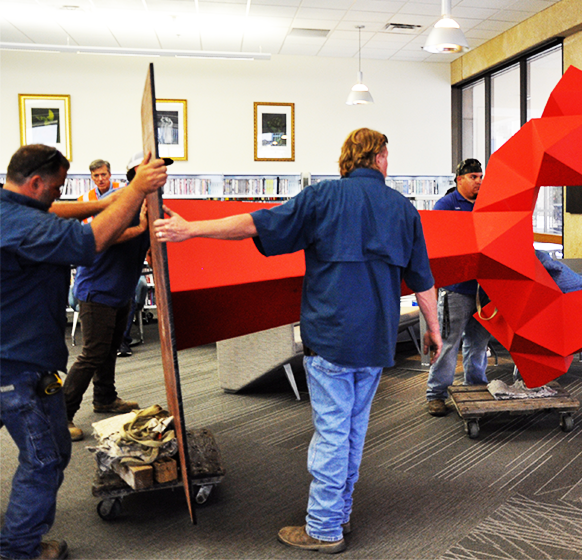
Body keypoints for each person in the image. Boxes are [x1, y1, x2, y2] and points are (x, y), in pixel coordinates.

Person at [154, 128, 442, 553]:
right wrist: (434, 331)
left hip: (331, 338)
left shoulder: (322, 198)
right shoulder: (403, 210)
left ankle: (323, 528)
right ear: (379, 158)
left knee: (330, 434)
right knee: (351, 433)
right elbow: (423, 282)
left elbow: (255, 223)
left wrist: (190, 229)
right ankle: (338, 513)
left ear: (348, 159)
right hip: (375, 344)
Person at [0, 144, 166, 560]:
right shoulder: (24, 226)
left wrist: (112, 200)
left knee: (51, 447)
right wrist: (136, 190)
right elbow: (89, 242)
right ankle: (18, 550)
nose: (59, 196)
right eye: (56, 187)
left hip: (19, 358)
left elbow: (52, 215)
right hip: (16, 367)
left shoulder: (11, 210)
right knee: (45, 459)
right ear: (36, 182)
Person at [64, 151, 171, 441]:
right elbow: (102, 236)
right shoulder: (122, 201)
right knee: (93, 353)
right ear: (134, 174)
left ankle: (105, 398)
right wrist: (140, 227)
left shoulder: (152, 204)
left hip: (120, 290)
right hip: (96, 290)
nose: (159, 176)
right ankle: (60, 415)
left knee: (110, 349)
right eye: (151, 171)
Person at [426, 158, 491, 417]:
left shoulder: (488, 204)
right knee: (448, 344)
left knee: (478, 343)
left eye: (480, 176)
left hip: (484, 287)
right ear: (459, 180)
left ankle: (475, 387)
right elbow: (437, 245)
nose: (478, 181)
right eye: (473, 177)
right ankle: (436, 395)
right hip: (456, 289)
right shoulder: (446, 205)